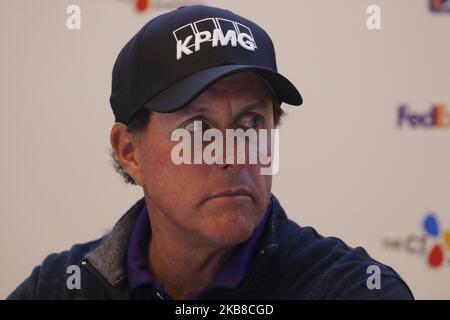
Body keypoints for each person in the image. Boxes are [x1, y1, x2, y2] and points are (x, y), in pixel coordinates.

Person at [8, 5, 413, 300]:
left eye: (252, 123)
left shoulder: (351, 290)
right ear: (130, 151)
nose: (232, 154)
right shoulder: (60, 288)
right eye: (199, 128)